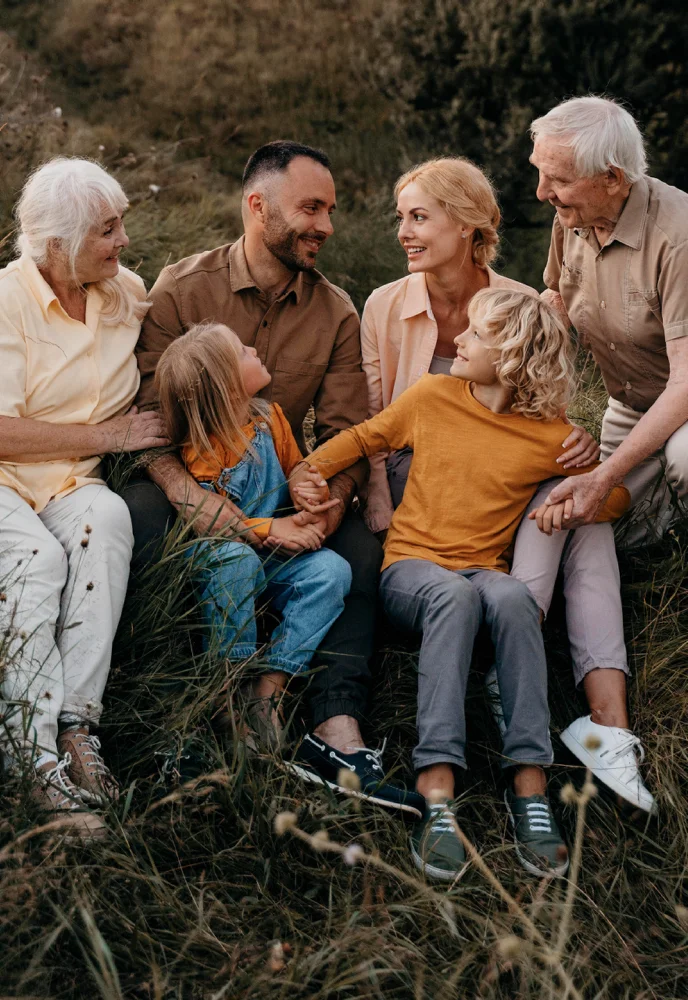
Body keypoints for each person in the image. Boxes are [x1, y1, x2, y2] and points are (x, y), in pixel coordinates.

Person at [291, 287, 630, 880]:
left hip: (483, 574)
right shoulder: (433, 395)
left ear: (513, 354)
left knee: (514, 597)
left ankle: (529, 783)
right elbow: (368, 436)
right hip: (412, 571)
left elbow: (615, 495)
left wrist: (572, 497)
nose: (459, 342)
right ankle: (437, 790)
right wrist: (309, 468)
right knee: (453, 593)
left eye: (475, 335)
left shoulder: (548, 436)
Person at [129, 140, 420, 816]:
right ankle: (174, 697)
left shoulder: (336, 311)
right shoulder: (182, 287)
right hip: (188, 473)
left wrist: (327, 499)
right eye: (310, 209)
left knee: (355, 550)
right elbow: (144, 415)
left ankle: (331, 723)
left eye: (331, 211)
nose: (325, 225)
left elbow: (346, 431)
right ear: (259, 208)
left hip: (281, 479)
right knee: (138, 511)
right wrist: (185, 492)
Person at [361, 156, 655, 813]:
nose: (403, 233)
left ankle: (610, 728)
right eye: (400, 218)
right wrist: (376, 487)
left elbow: (541, 410)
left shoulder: (519, 304)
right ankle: (511, 649)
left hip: (507, 480)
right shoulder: (385, 304)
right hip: (424, 481)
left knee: (577, 504)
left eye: (418, 217)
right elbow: (370, 417)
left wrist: (578, 449)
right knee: (562, 496)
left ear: (469, 226)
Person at [0, 157, 169, 838]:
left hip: (72, 483)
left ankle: (77, 727)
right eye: (108, 229)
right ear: (56, 246)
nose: (124, 240)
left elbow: (177, 323)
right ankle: (32, 760)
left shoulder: (121, 291)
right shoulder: (7, 300)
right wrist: (110, 432)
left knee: (108, 518)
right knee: (37, 561)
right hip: (6, 479)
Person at [529, 94, 688, 806]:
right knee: (613, 541)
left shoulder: (679, 233)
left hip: (681, 406)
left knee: (684, 464)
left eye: (556, 178)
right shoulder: (574, 219)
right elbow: (554, 310)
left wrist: (609, 470)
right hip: (632, 403)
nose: (541, 193)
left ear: (615, 179)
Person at [155, 321, 352, 747]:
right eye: (241, 351)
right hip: (219, 555)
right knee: (237, 562)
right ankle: (226, 692)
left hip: (270, 551)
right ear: (227, 388)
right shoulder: (203, 449)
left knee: (331, 572)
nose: (251, 346)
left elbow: (294, 463)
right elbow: (215, 525)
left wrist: (304, 484)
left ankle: (270, 687)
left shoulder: (270, 417)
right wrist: (272, 528)